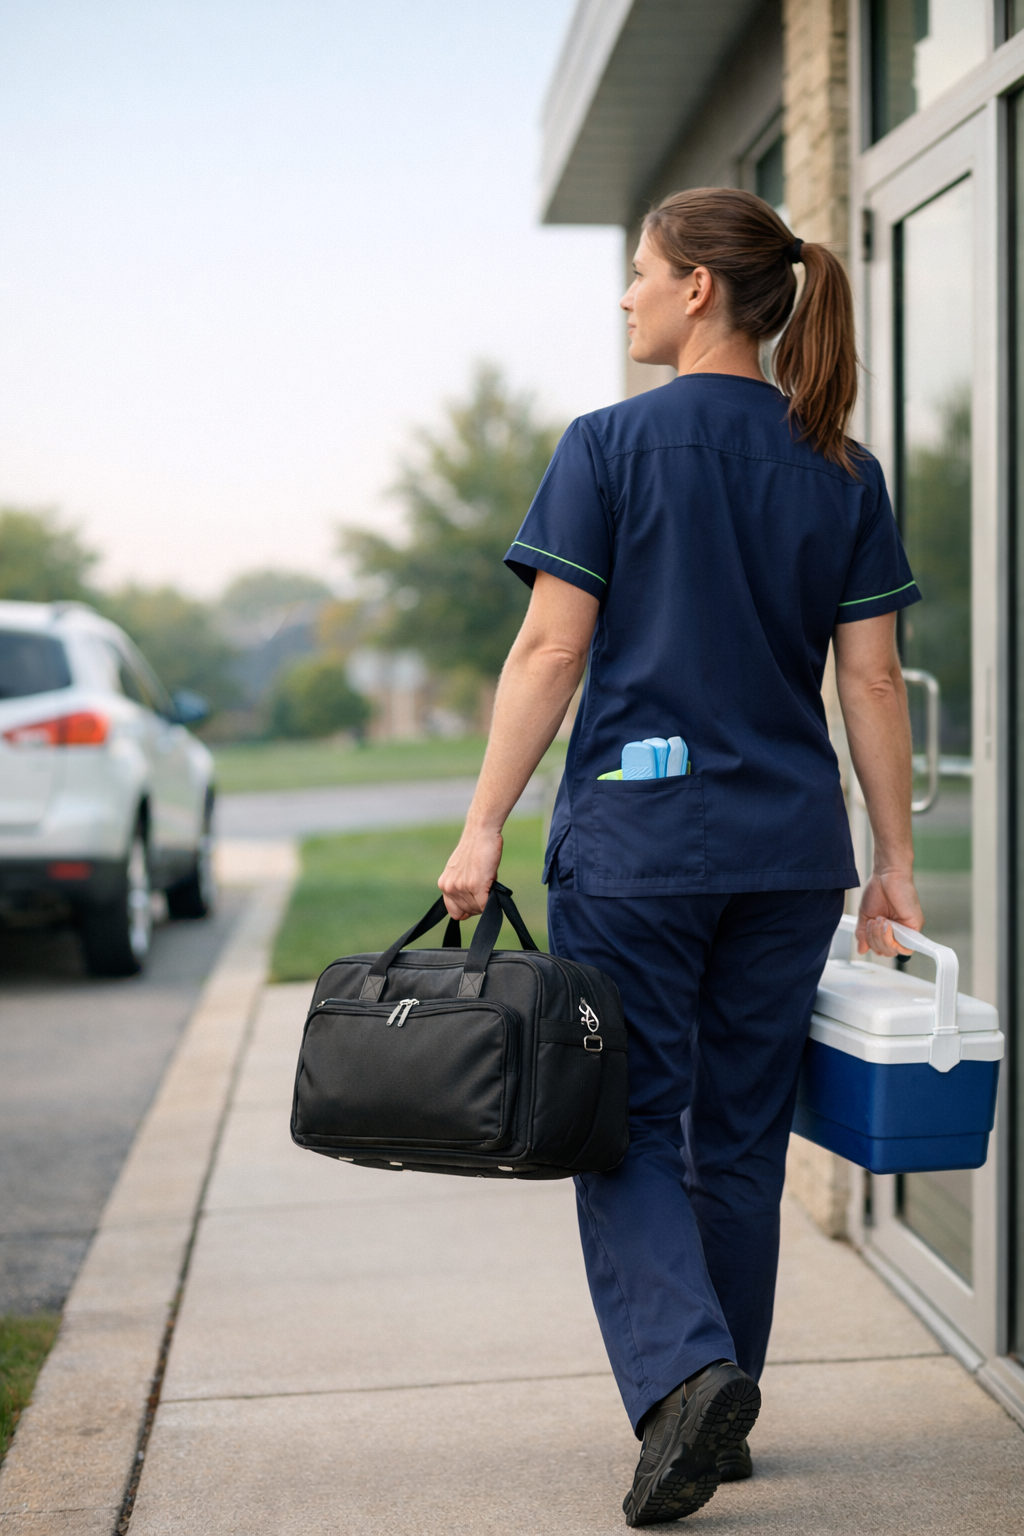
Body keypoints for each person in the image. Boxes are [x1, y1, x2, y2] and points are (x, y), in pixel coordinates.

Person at [438, 186, 924, 1527]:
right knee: (742, 1142)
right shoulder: (841, 465)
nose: (627, 294)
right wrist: (892, 856)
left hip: (638, 850)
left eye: (642, 272)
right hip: (786, 854)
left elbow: (550, 649)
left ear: (700, 288)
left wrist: (483, 821)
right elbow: (873, 683)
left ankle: (687, 1379)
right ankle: (723, 1407)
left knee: (629, 1128)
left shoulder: (607, 446)